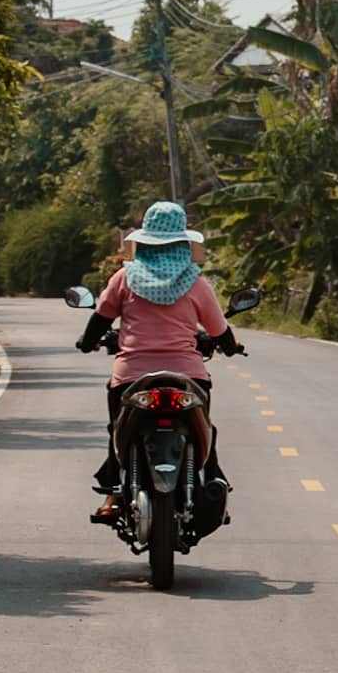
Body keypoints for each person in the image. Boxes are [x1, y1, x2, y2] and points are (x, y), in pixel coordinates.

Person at [76, 200, 244, 523]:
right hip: (188, 377)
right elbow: (219, 330)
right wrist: (230, 346)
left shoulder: (124, 278)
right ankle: (212, 485)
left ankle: (113, 493)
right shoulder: (197, 283)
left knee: (117, 429)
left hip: (131, 376)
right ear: (183, 241)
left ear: (144, 240)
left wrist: (87, 343)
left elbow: (100, 319)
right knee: (204, 430)